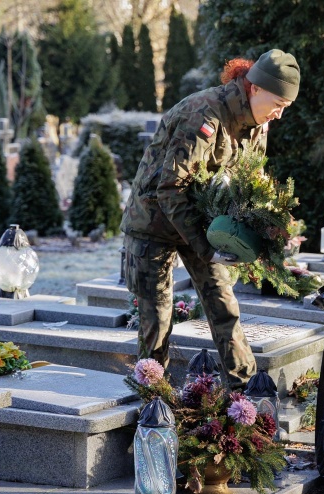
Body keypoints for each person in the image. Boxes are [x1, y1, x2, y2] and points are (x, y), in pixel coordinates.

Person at [120, 49, 301, 390]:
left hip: (204, 221)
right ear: (254, 88)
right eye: (277, 103)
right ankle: (152, 399)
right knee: (156, 317)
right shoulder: (203, 113)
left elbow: (247, 185)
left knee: (223, 302)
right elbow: (171, 189)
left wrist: (257, 232)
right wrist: (205, 247)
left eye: (285, 108)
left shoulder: (258, 124)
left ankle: (245, 394)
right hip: (154, 221)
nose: (278, 115)